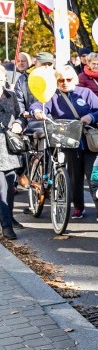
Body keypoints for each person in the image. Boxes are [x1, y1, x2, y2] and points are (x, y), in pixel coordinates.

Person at [33, 66, 98, 221]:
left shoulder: (85, 93)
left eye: (68, 79)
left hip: (88, 141)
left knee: (93, 175)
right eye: (60, 80)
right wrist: (37, 112)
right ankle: (78, 207)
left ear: (75, 79)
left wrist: (91, 117)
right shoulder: (53, 96)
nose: (65, 83)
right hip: (66, 141)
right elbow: (39, 105)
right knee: (74, 178)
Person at [1, 75, 23, 240]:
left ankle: (8, 216)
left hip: (9, 148)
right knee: (1, 189)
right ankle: (6, 226)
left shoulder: (11, 96)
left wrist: (19, 123)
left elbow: (21, 114)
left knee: (9, 187)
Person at [15, 52, 54, 117]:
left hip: (54, 120)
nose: (46, 66)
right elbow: (18, 101)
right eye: (43, 64)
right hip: (31, 120)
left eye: (49, 64)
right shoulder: (23, 79)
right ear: (36, 63)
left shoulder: (59, 78)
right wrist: (24, 115)